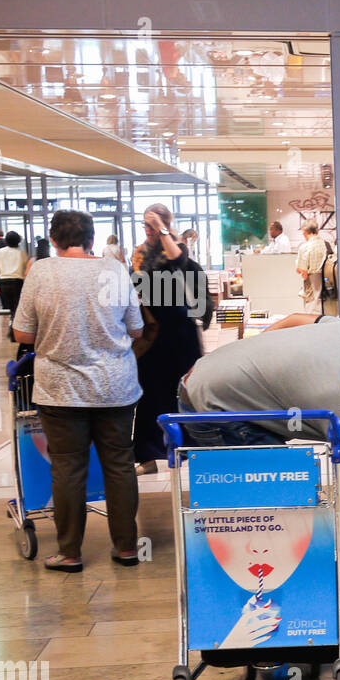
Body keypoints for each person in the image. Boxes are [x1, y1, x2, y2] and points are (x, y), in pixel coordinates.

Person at [176, 313, 340, 662]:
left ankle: (279, 620)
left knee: (282, 507)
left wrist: (251, 360)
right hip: (211, 407)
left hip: (204, 372)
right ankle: (259, 640)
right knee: (266, 523)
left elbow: (293, 320)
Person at [10, 210, 144, 572]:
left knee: (68, 468)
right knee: (119, 464)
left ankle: (69, 553)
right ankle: (127, 548)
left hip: (60, 388)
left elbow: (22, 333)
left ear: (53, 239)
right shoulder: (115, 269)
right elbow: (135, 328)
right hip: (115, 386)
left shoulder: (41, 271)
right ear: (92, 238)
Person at [130, 202, 204, 475]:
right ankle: (147, 457)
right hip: (152, 331)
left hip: (179, 330)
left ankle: (189, 448)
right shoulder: (140, 253)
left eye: (152, 225)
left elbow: (177, 260)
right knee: (148, 393)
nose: (148, 231)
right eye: (146, 225)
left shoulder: (176, 246)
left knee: (184, 391)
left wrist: (163, 230)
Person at [295, 220, 327, 313]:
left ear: (304, 231)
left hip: (312, 289)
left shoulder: (305, 248)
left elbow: (302, 272)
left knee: (312, 314)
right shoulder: (327, 245)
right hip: (328, 289)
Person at [0, 231, 28, 316]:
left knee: (10, 307)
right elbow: (26, 270)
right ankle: (14, 326)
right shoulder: (22, 253)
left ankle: (12, 324)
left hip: (4, 282)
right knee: (18, 308)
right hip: (18, 282)